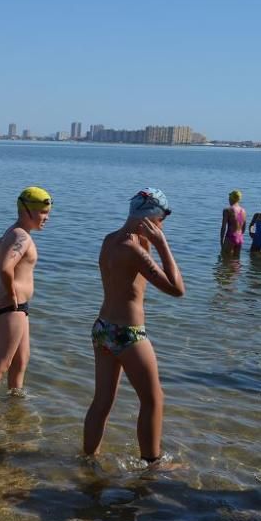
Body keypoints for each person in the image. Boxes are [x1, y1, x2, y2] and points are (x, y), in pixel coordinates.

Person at [83, 188, 185, 466]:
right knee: (154, 400)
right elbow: (177, 289)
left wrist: (149, 242)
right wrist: (162, 244)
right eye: (162, 219)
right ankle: (152, 464)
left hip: (102, 328)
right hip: (128, 334)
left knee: (102, 401)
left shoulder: (110, 240)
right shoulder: (134, 250)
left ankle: (88, 459)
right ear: (151, 218)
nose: (163, 225)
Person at [0, 186, 52, 400]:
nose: (46, 218)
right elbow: (5, 267)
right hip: (12, 306)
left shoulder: (15, 232)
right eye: (42, 213)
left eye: (48, 213)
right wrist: (10, 293)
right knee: (1, 363)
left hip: (18, 306)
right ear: (27, 211)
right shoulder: (22, 237)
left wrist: (5, 286)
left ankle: (14, 402)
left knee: (21, 359)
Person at [220, 190, 247, 255]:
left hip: (230, 237)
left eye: (229, 197)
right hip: (240, 238)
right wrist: (239, 236)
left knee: (225, 260)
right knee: (237, 261)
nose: (228, 199)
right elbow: (244, 227)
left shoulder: (227, 210)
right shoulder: (243, 211)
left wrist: (221, 240)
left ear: (231, 198)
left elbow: (223, 227)